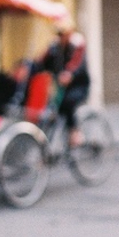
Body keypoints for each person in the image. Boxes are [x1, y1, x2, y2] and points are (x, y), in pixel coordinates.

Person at [37, 18, 90, 147]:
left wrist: (69, 74)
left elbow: (77, 64)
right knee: (49, 109)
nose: (61, 37)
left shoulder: (78, 44)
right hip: (60, 87)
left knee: (68, 103)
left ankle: (75, 132)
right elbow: (42, 63)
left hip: (78, 86)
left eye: (63, 33)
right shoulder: (55, 47)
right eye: (59, 34)